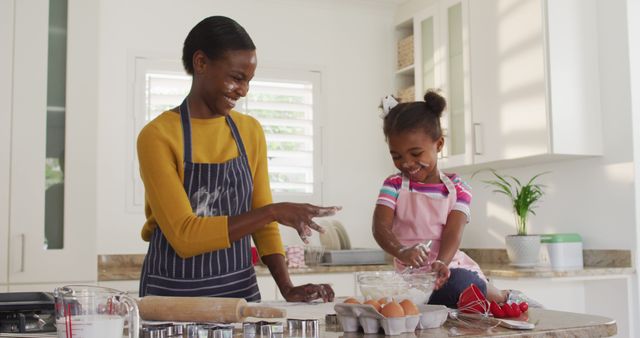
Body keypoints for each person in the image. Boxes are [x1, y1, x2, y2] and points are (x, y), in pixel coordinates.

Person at [136, 16, 339, 302]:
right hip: (173, 300)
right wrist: (273, 211)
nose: (243, 91)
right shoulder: (157, 135)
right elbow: (184, 236)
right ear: (201, 63)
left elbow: (263, 220)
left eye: (248, 81)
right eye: (236, 77)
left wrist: (287, 287)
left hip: (239, 297)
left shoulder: (249, 131)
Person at [372, 90, 540, 308]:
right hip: (411, 279)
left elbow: (454, 231)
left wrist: (441, 261)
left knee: (458, 284)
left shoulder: (457, 188)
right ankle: (481, 299)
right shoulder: (393, 185)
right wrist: (401, 251)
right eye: (397, 156)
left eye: (415, 154)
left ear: (439, 145)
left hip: (448, 268)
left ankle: (503, 297)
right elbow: (380, 227)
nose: (407, 163)